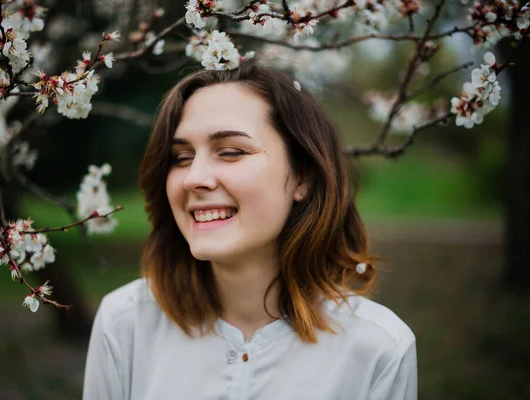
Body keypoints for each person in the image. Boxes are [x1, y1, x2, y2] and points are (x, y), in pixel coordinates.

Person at [82, 62, 417, 400]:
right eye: (181, 157)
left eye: (231, 152)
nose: (194, 177)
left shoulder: (379, 349)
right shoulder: (125, 324)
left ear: (303, 177)